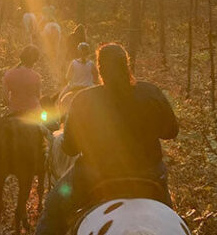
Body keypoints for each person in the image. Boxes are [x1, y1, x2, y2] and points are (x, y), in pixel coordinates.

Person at [36, 43, 179, 235]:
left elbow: (69, 148)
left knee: (52, 208)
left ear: (100, 69)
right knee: (172, 219)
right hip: (149, 174)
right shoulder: (151, 92)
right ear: (126, 65)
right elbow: (171, 131)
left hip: (93, 175)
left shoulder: (85, 99)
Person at [2, 45, 42, 116]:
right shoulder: (36, 77)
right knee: (49, 125)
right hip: (32, 113)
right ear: (35, 60)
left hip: (14, 112)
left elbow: (5, 99)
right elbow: (38, 96)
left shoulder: (8, 74)